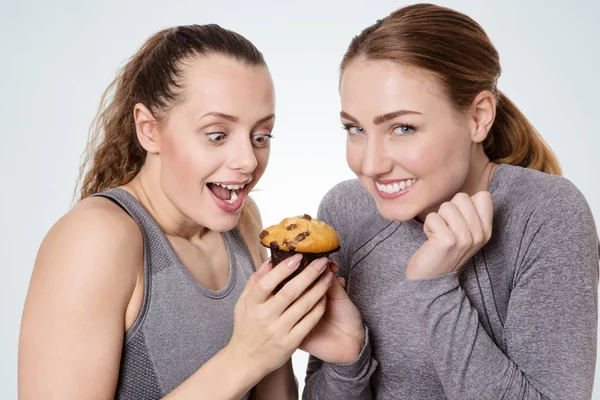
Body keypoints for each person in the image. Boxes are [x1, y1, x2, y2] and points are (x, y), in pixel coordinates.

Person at [18, 24, 337, 399]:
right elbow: (251, 360)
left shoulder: (244, 222)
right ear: (149, 130)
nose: (248, 161)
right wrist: (245, 356)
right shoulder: (95, 238)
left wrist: (320, 347)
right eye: (217, 134)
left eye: (261, 136)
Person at [303, 4, 599, 399]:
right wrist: (347, 362)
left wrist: (433, 288)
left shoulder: (546, 215)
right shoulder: (346, 211)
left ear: (479, 117)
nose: (370, 165)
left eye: (403, 128)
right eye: (355, 128)